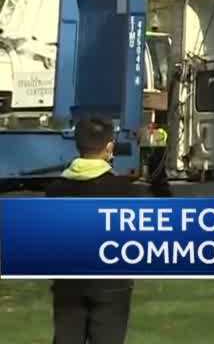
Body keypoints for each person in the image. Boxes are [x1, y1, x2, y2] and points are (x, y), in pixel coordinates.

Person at [46, 117, 170, 344]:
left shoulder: (55, 190)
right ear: (110, 147)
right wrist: (156, 157)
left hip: (68, 285)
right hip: (112, 286)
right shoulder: (124, 191)